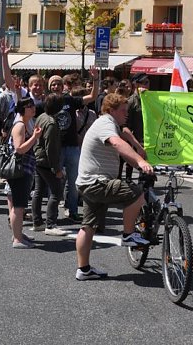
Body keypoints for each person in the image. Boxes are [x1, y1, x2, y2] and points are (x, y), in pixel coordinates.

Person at [74, 93, 154, 280]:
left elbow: (124, 134)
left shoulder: (110, 124)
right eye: (123, 111)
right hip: (97, 182)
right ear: (111, 111)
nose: (126, 114)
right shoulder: (105, 124)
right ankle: (128, 234)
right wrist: (141, 161)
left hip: (88, 183)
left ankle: (83, 270)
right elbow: (118, 143)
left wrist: (137, 150)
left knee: (88, 226)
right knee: (137, 193)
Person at [48, 67, 99, 224]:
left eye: (58, 84)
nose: (56, 86)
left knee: (74, 180)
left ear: (63, 86)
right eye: (53, 84)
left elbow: (92, 96)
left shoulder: (69, 100)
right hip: (55, 148)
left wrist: (95, 79)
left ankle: (73, 211)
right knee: (55, 182)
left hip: (72, 147)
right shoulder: (47, 102)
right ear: (49, 87)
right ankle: (53, 213)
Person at [7, 97, 43, 248]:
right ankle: (17, 239)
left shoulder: (28, 123)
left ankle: (19, 234)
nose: (33, 108)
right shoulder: (20, 125)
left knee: (20, 204)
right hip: (20, 170)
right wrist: (34, 137)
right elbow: (19, 149)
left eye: (33, 105)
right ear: (22, 109)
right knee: (19, 205)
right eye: (29, 106)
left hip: (25, 168)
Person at [31, 93, 67, 236]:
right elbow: (51, 149)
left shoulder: (41, 117)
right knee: (56, 192)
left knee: (38, 191)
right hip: (46, 162)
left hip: (37, 158)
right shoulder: (52, 123)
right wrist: (57, 169)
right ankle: (51, 224)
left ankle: (37, 221)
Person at [121, 72, 149, 181]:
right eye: (144, 83)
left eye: (148, 82)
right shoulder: (131, 101)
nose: (147, 85)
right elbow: (125, 123)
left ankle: (145, 185)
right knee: (130, 162)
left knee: (146, 168)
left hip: (147, 138)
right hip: (134, 138)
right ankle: (128, 180)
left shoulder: (150, 99)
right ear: (136, 85)